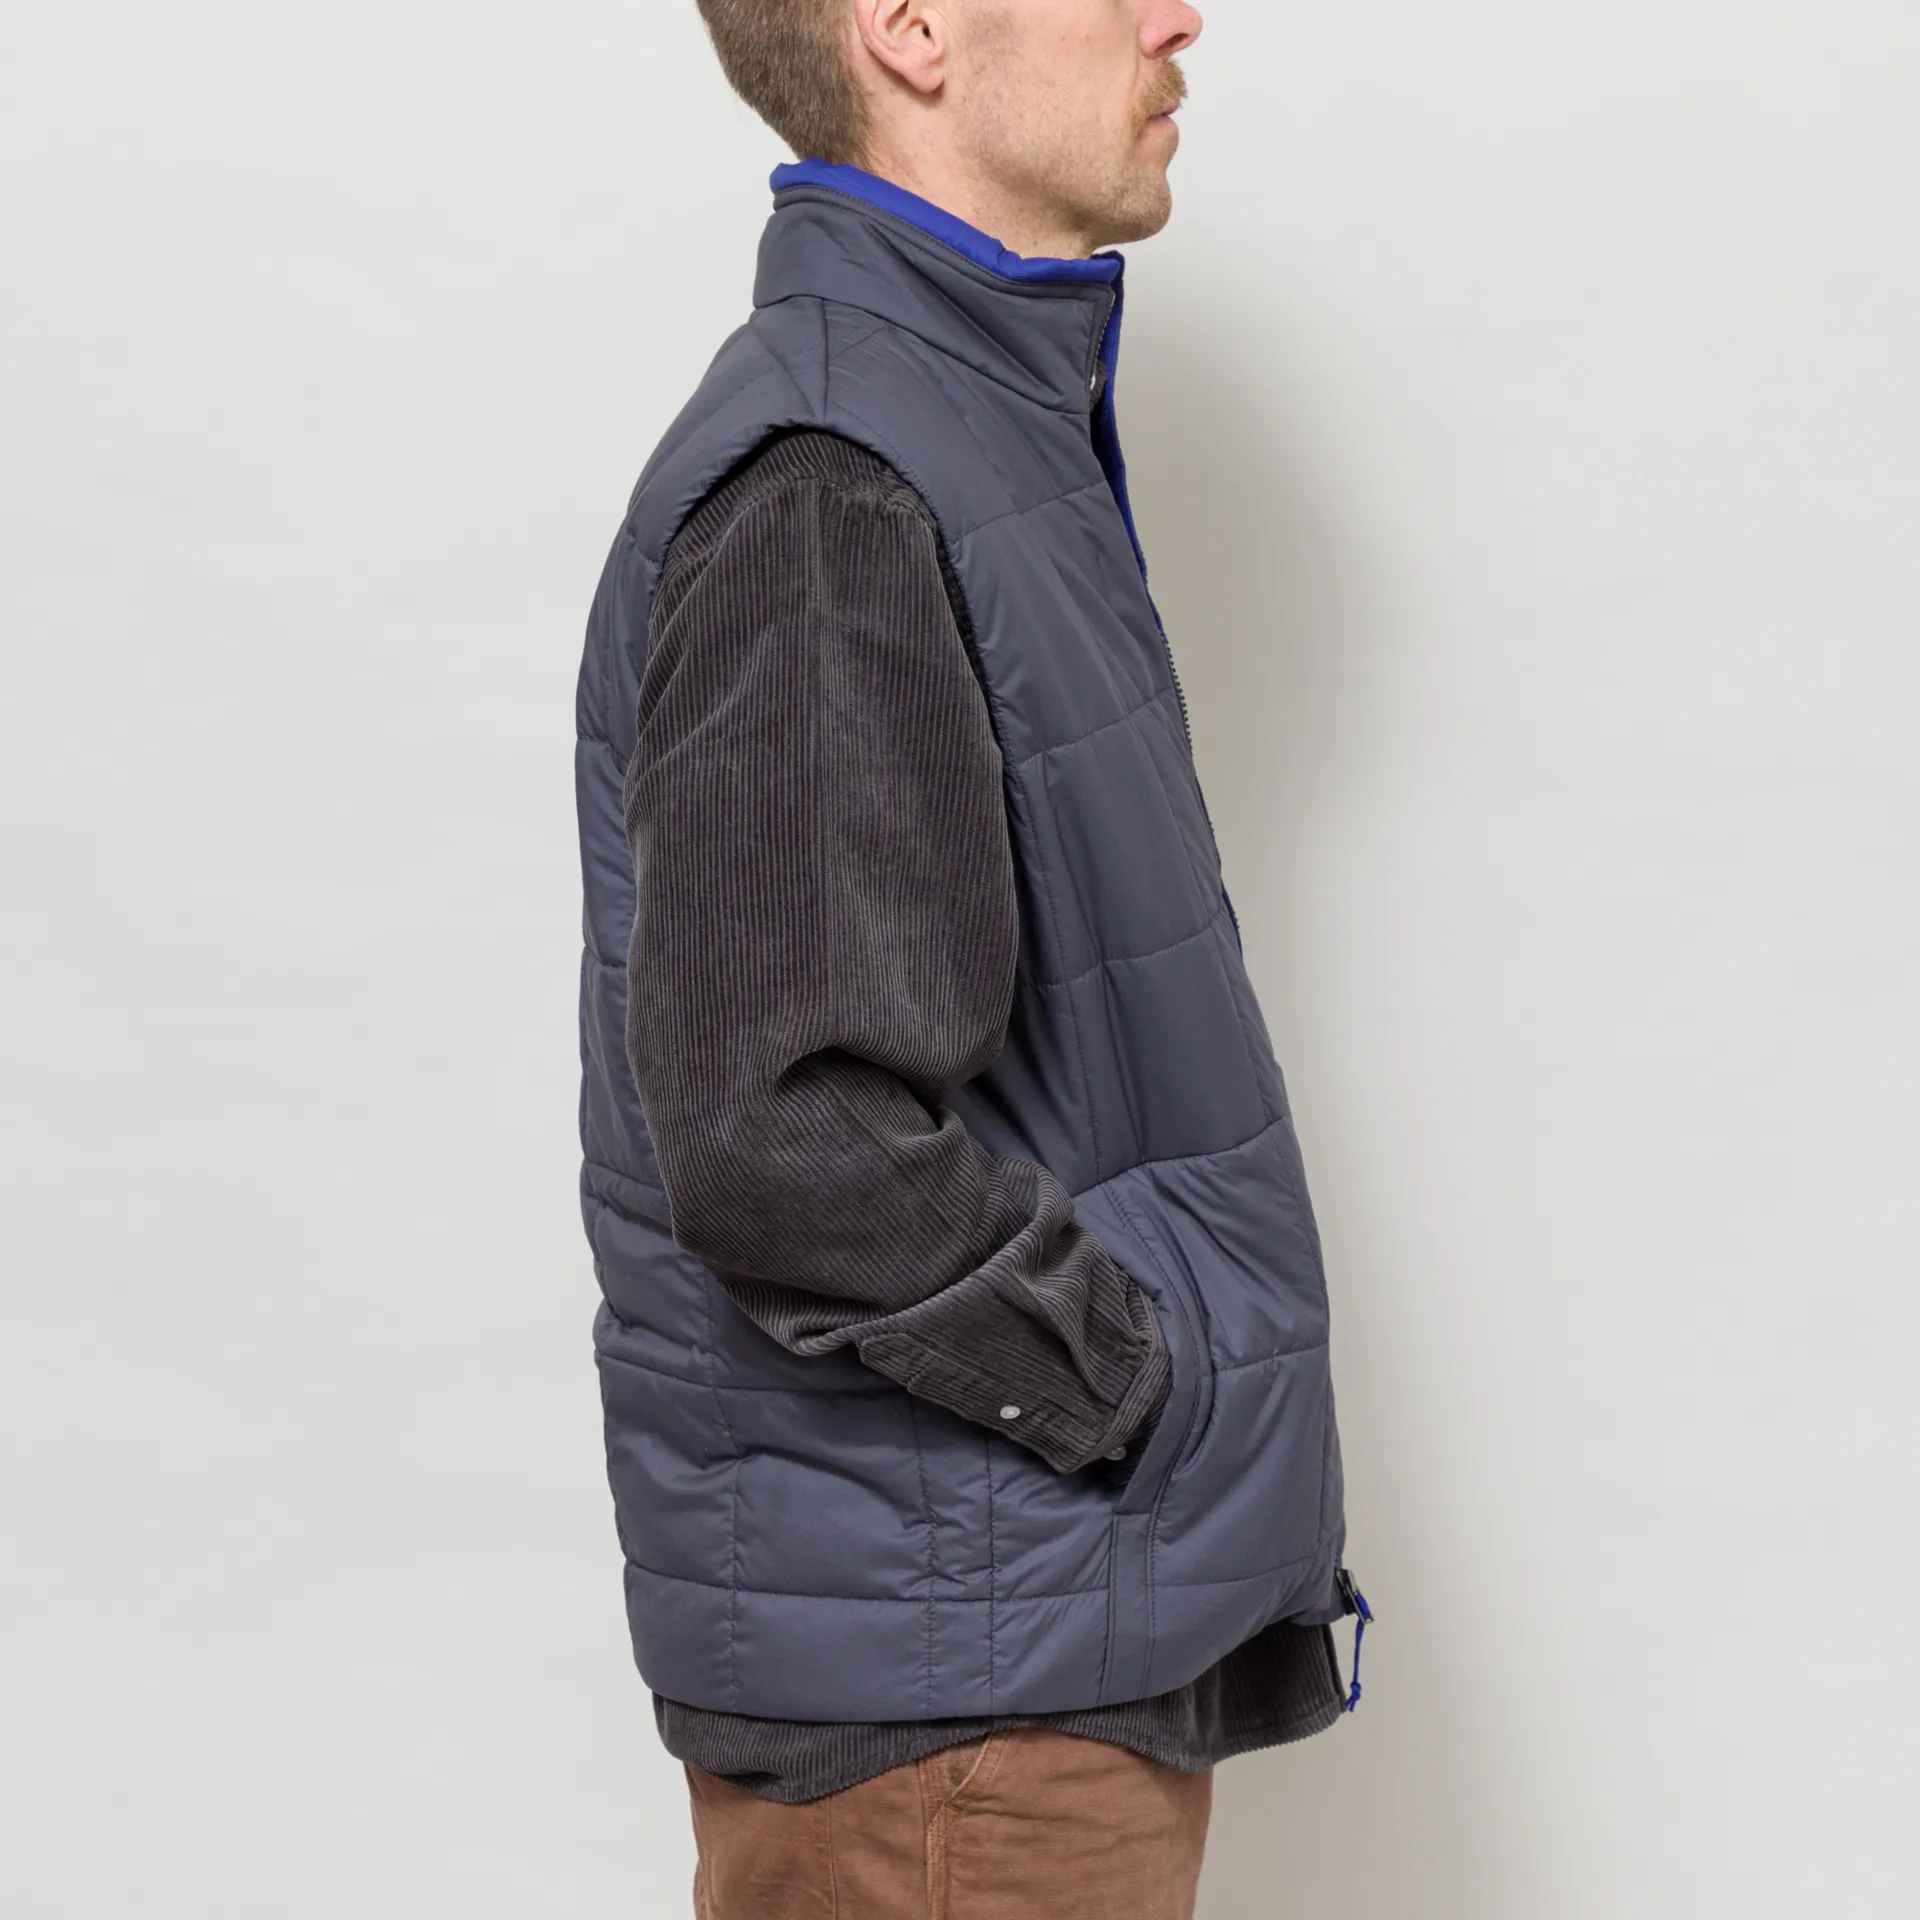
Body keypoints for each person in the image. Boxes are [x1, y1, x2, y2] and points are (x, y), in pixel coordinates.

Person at [573, 3, 1368, 1912]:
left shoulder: (964, 422)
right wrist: (1128, 1382)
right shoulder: (835, 475)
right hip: (964, 1714)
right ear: (910, 30)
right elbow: (781, 1131)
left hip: (1006, 1660)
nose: (1177, 15)